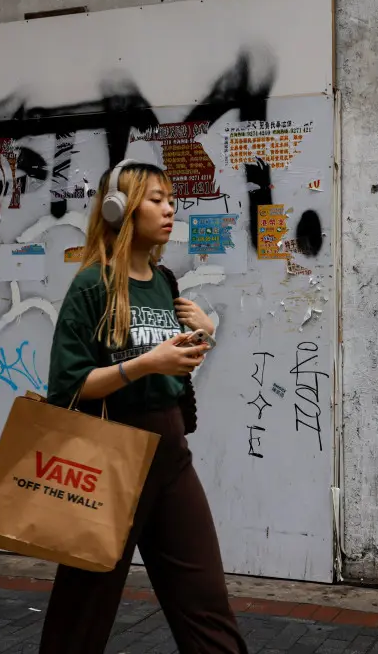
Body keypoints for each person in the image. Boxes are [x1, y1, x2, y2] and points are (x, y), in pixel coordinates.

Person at [39, 160, 249, 654]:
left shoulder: (164, 280)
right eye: (155, 199)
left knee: (205, 599)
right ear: (120, 209)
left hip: (170, 455)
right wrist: (143, 364)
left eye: (171, 199)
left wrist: (202, 338)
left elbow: (169, 368)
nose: (170, 208)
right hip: (112, 456)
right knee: (83, 609)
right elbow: (67, 386)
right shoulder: (94, 285)